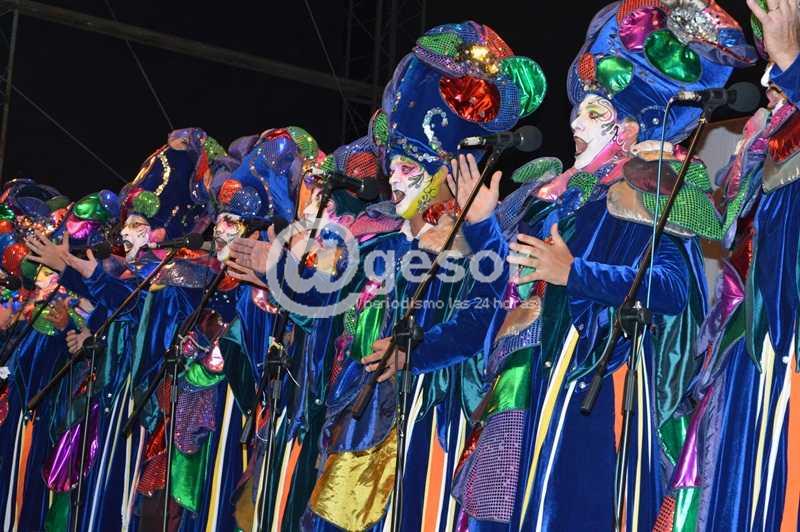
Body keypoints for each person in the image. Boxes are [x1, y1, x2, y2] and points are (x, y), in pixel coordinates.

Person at [374, 2, 754, 529]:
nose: (574, 121)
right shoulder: (554, 201)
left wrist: (571, 272)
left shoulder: (648, 188)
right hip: (519, 392)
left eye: (594, 113)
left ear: (628, 129)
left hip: (585, 400)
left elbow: (671, 289)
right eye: (578, 111)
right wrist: (481, 228)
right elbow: (495, 303)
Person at [228, 21, 547, 530]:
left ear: (444, 175)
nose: (395, 179)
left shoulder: (475, 243)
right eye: (393, 168)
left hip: (426, 418)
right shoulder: (384, 244)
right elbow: (331, 307)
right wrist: (278, 271)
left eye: (410, 171)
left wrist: (415, 352)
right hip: (359, 417)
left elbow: (481, 323)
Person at [676, 0, 800, 529]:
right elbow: (723, 224)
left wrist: (793, 63)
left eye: (778, 76)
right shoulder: (762, 146)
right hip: (746, 337)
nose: (768, 84)